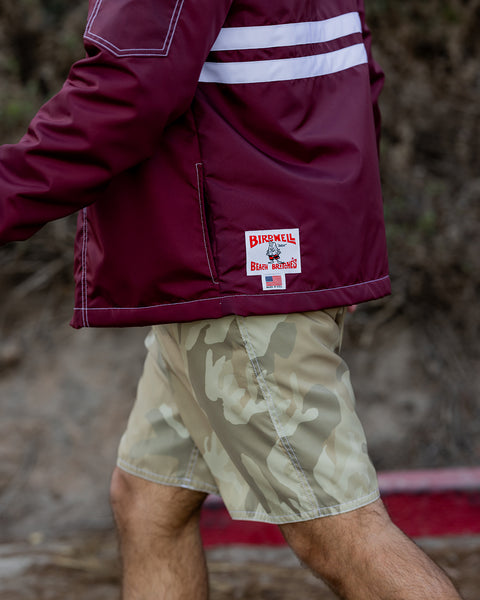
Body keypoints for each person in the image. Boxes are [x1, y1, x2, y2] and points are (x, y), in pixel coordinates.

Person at [0, 0, 462, 598]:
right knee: (147, 501)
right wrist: (330, 249)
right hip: (247, 262)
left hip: (231, 270)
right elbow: (351, 68)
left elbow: (124, 93)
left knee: (337, 530)